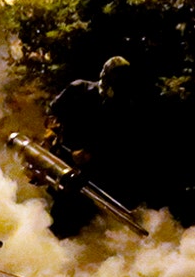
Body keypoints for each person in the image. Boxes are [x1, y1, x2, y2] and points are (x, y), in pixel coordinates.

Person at [41, 55, 148, 236]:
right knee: (59, 208)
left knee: (87, 214)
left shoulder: (122, 105)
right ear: (104, 76)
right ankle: (49, 243)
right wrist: (53, 133)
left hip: (93, 167)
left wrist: (91, 153)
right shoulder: (78, 89)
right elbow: (53, 113)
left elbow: (117, 139)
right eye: (113, 80)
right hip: (64, 158)